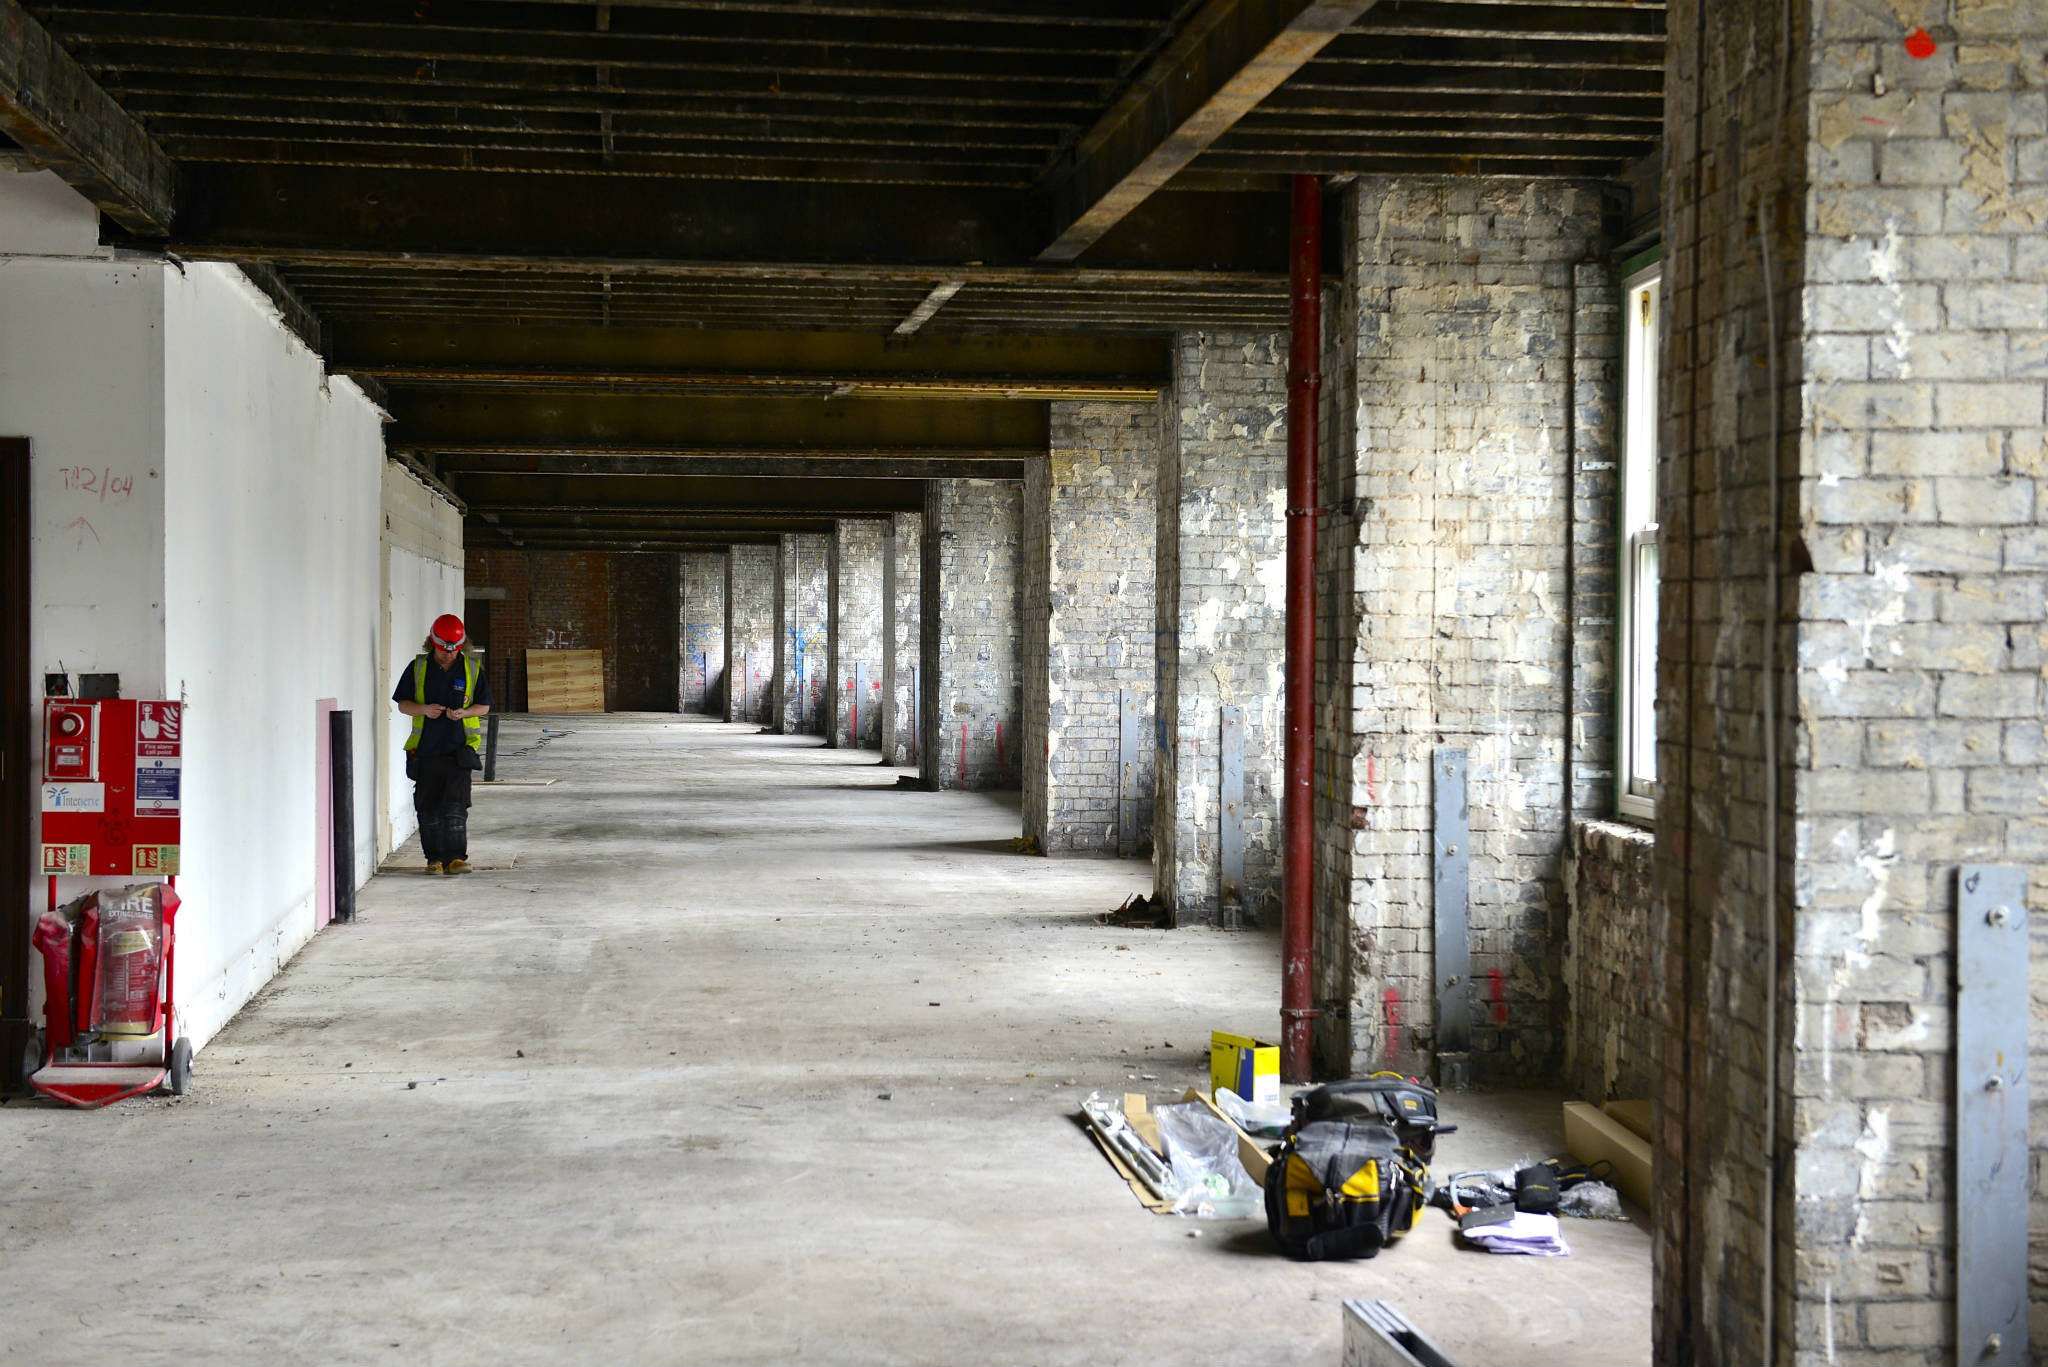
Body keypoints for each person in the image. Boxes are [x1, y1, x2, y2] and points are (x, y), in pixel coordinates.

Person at [394, 613, 493, 874]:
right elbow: (403, 704)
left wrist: (464, 713)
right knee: (428, 809)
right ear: (432, 643)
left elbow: (484, 706)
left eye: (454, 650)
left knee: (456, 807)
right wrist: (424, 709)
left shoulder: (472, 669)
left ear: (461, 646)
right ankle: (434, 860)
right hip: (425, 750)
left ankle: (457, 858)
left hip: (459, 749)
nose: (448, 655)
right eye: (442, 650)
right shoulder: (417, 668)